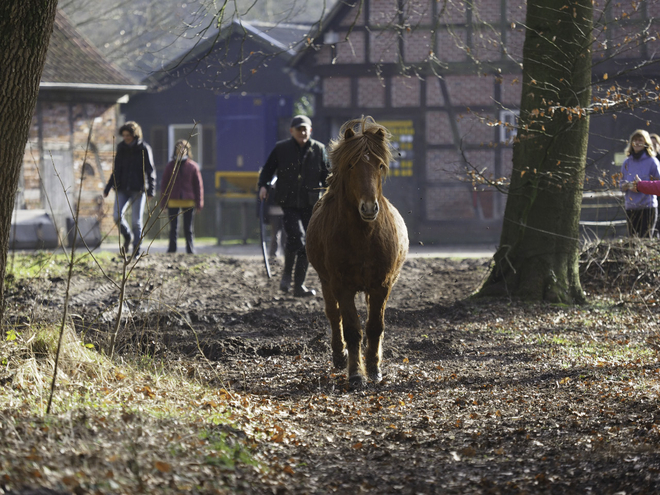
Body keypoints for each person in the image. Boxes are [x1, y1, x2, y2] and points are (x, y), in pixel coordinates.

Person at [258, 115, 330, 297]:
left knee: (307, 244)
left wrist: (332, 191)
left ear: (310, 131)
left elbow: (326, 176)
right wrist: (263, 186)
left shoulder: (319, 150)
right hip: (288, 202)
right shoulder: (281, 149)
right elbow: (267, 170)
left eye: (305, 129)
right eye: (299, 129)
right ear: (292, 131)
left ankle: (297, 285)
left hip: (311, 203)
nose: (302, 132)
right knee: (297, 238)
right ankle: (286, 277)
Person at [103, 121, 156, 257]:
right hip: (122, 188)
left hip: (138, 190)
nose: (126, 137)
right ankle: (128, 236)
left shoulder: (144, 149)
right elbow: (116, 170)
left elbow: (150, 171)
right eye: (124, 135)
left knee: (136, 222)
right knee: (117, 216)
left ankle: (136, 251)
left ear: (134, 135)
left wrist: (151, 191)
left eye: (128, 135)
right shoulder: (121, 148)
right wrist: (109, 186)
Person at [160, 140, 204, 254]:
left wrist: (199, 203)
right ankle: (172, 249)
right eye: (178, 148)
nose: (180, 151)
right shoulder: (170, 166)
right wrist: (163, 204)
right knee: (173, 227)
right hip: (173, 200)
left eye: (183, 148)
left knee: (188, 227)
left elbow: (198, 186)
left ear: (187, 150)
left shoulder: (193, 166)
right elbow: (164, 185)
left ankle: (190, 249)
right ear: (175, 150)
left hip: (188, 200)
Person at [620, 129, 660, 238]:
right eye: (635, 140)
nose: (637, 143)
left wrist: (640, 186)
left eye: (640, 140)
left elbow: (657, 183)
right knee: (633, 240)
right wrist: (627, 186)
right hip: (631, 206)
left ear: (646, 143)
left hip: (647, 206)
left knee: (646, 240)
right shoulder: (626, 162)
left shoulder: (653, 162)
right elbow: (621, 184)